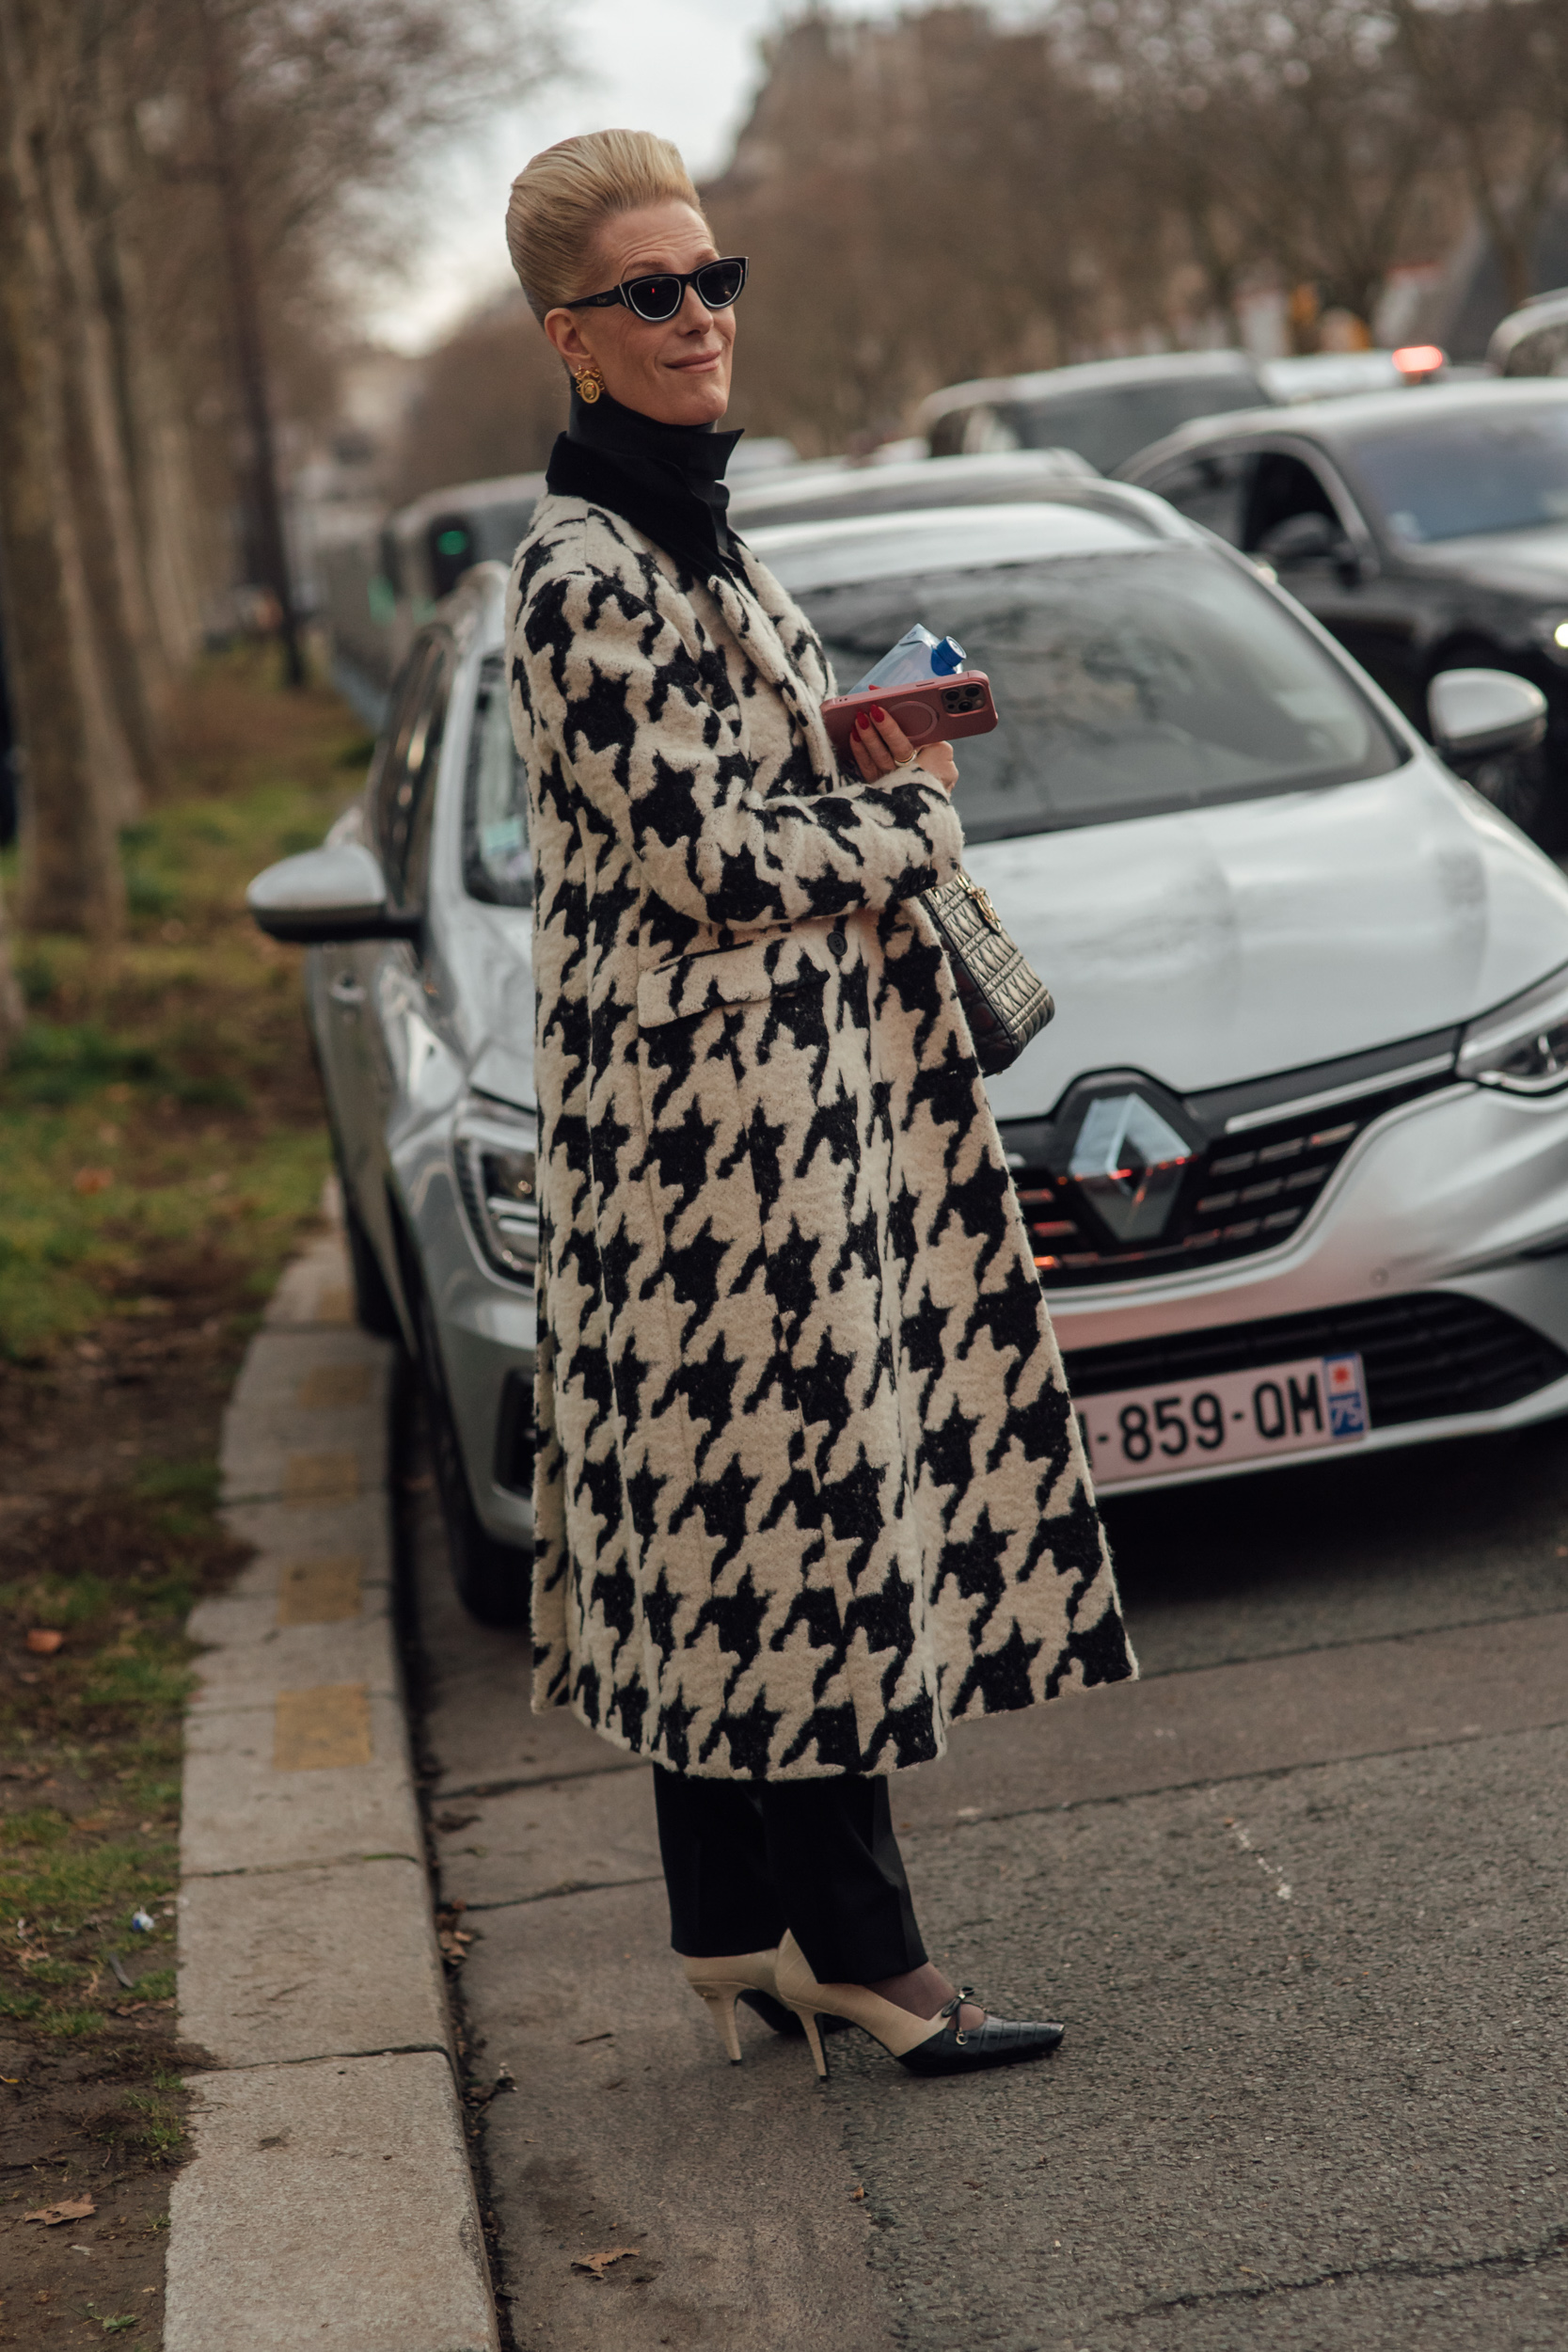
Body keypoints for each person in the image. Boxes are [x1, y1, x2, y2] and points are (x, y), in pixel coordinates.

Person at [502, 130, 1135, 2081]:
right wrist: (905, 805)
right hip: (713, 1154)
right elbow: (699, 849)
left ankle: (739, 1933)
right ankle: (869, 1954)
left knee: (732, 1548)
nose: (702, 319)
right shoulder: (579, 569)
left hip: (779, 1120)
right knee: (812, 1534)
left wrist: (852, 734)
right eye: (654, 296)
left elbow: (731, 789)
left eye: (717, 278)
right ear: (571, 336)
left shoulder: (695, 530)